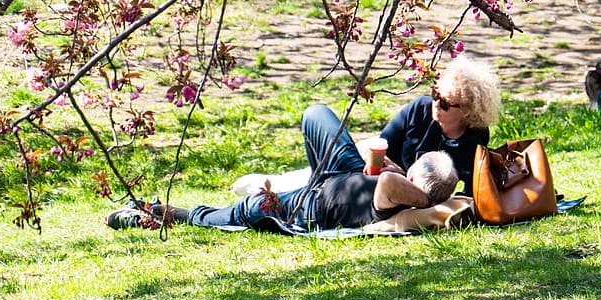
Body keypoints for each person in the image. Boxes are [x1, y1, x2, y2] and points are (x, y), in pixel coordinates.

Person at [106, 104, 459, 231]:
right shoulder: (398, 186)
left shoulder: (397, 197)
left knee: (244, 210)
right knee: (316, 115)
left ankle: (165, 213)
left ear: (415, 182)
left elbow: (386, 188)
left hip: (312, 207)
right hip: (342, 176)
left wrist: (417, 193)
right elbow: (381, 175)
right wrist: (388, 165)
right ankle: (302, 177)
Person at [380, 55, 500, 196]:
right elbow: (382, 147)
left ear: (467, 111)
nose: (435, 104)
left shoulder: (475, 136)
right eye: (435, 95)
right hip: (388, 186)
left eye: (444, 103)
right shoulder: (418, 110)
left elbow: (473, 190)